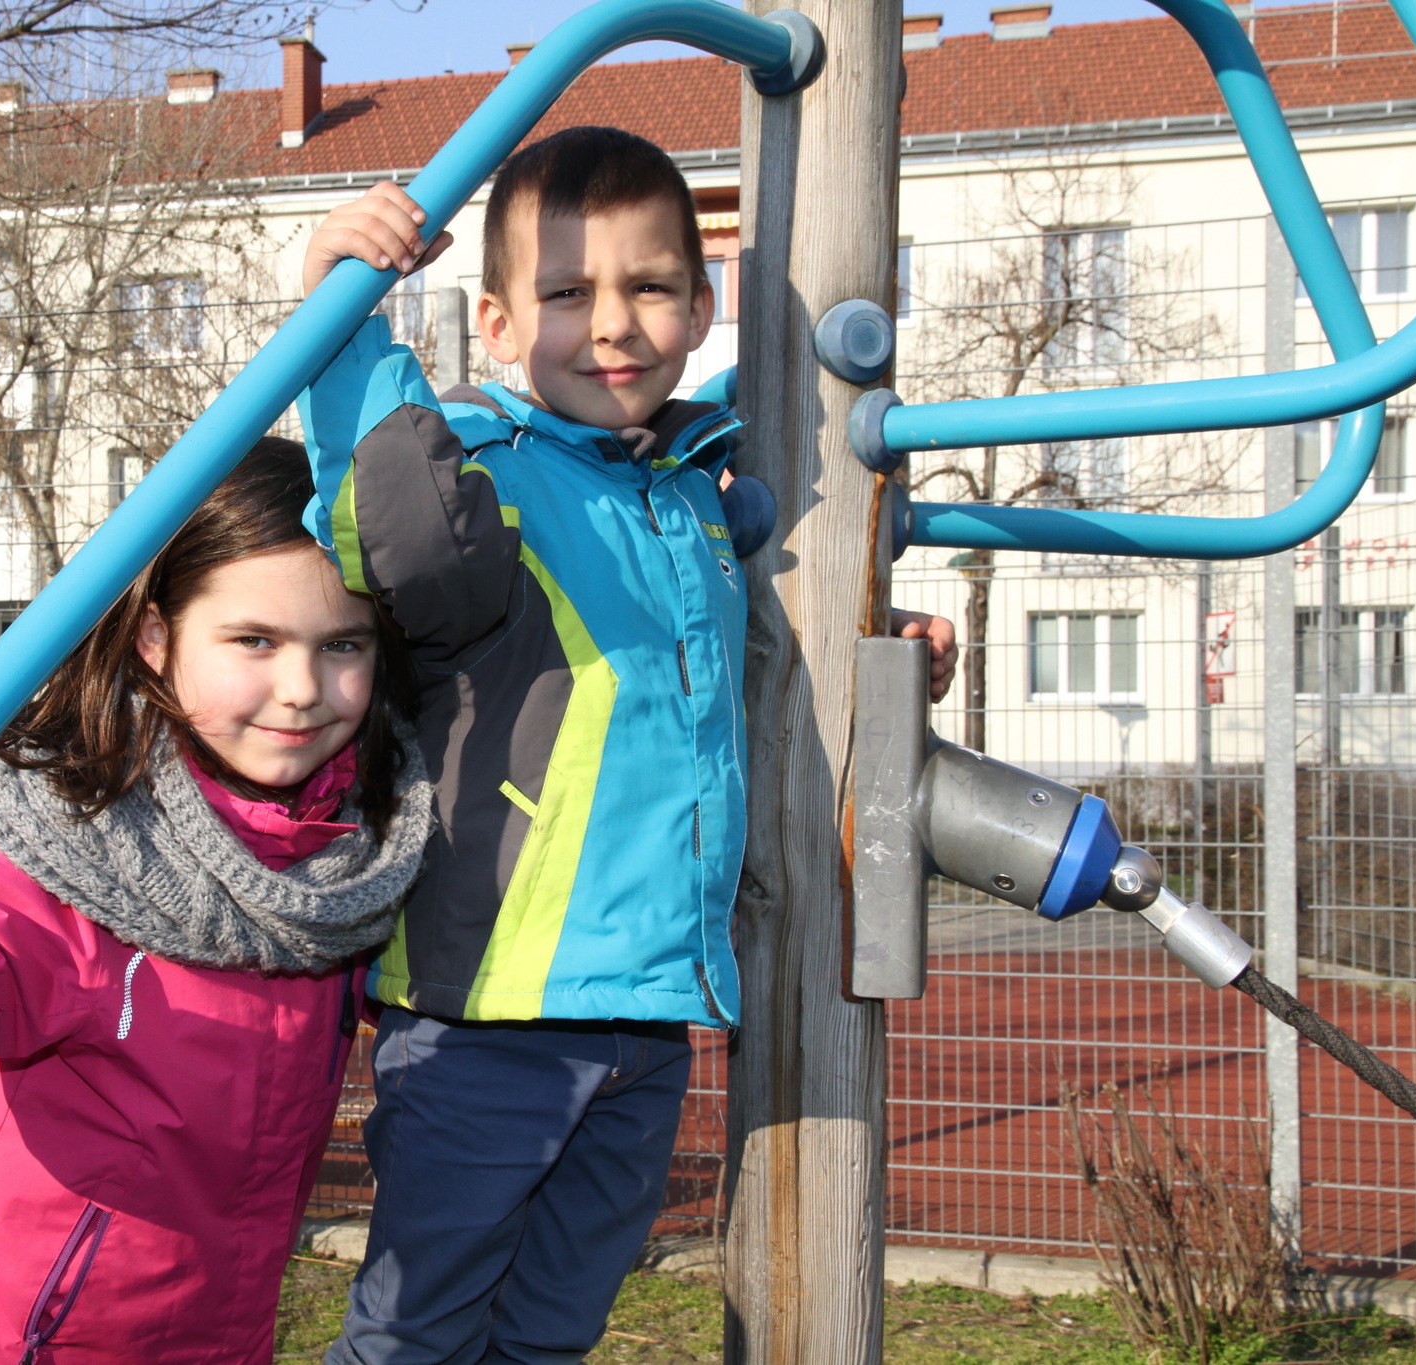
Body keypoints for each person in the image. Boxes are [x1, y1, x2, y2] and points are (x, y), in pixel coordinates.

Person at [295, 125, 956, 1365]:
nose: (611, 324)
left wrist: (886, 635)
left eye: (648, 286)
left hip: (649, 1006)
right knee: (418, 1330)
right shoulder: (485, 468)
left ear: (703, 308)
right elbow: (402, 530)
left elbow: (754, 658)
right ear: (492, 325)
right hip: (492, 1004)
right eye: (564, 293)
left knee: (554, 1325)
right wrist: (347, 326)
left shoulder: (694, 492)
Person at [0, 439, 435, 1365]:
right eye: (254, 640)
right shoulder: (67, 841)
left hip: (211, 1336)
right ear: (157, 637)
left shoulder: (358, 856)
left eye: (342, 644)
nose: (303, 689)